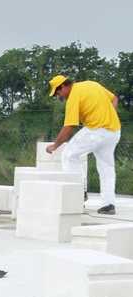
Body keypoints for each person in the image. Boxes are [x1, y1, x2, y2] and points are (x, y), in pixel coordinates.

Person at [46, 75, 121, 215]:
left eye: (57, 93)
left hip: (96, 131)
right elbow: (114, 98)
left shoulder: (73, 96)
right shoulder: (92, 84)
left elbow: (69, 126)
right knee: (106, 168)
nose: (58, 96)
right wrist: (109, 115)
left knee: (69, 155)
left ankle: (78, 194)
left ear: (63, 86)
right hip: (114, 131)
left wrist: (55, 146)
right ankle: (109, 204)